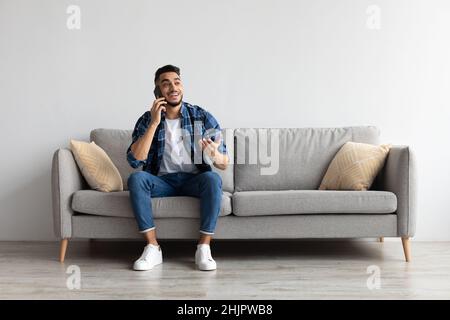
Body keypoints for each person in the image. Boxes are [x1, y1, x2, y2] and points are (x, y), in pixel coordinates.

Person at [126, 65, 229, 271]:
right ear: (158, 92)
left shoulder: (200, 115)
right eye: (166, 84)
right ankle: (153, 247)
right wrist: (155, 123)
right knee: (136, 179)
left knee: (214, 179)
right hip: (162, 182)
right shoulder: (147, 119)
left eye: (177, 82)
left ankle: (204, 248)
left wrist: (213, 154)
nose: (173, 87)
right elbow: (135, 160)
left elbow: (223, 163)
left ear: (182, 86)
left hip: (194, 180)